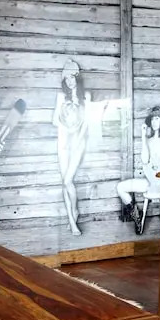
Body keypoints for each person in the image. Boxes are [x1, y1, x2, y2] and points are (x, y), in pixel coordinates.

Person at [116, 106, 160, 224]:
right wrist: (143, 137)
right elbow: (144, 160)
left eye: (157, 118)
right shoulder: (148, 141)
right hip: (149, 182)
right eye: (152, 119)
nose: (154, 122)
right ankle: (136, 216)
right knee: (120, 187)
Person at [53, 60, 90, 236]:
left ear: (77, 77)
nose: (69, 81)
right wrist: (66, 127)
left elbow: (87, 122)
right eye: (66, 78)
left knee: (68, 180)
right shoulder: (61, 97)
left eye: (72, 77)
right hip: (63, 142)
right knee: (64, 182)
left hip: (78, 142)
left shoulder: (86, 96)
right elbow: (54, 120)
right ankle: (72, 219)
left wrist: (77, 136)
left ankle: (74, 211)